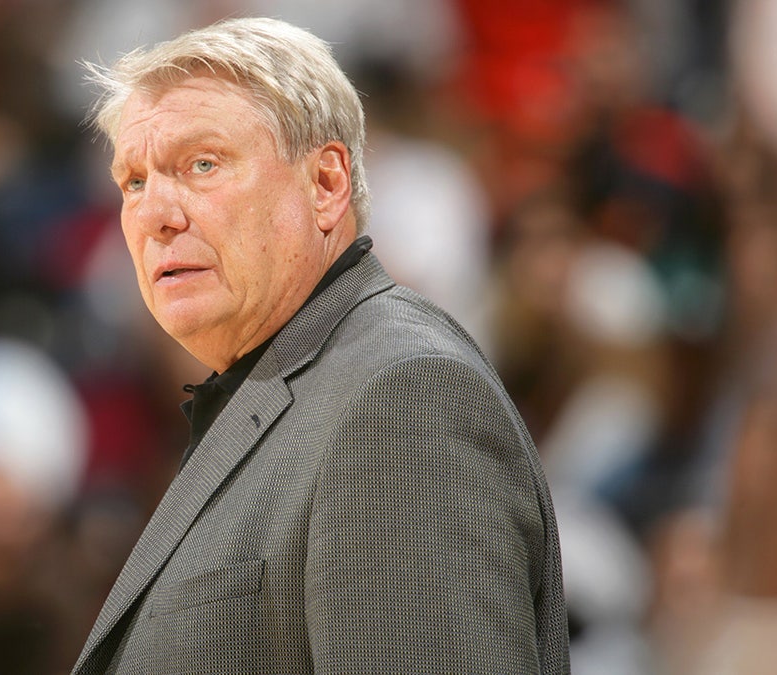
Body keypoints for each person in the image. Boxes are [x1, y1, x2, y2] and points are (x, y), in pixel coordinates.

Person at [72, 17, 569, 674]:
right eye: (134, 180)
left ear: (327, 184)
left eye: (201, 164)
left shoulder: (401, 394)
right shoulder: (283, 390)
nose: (156, 213)